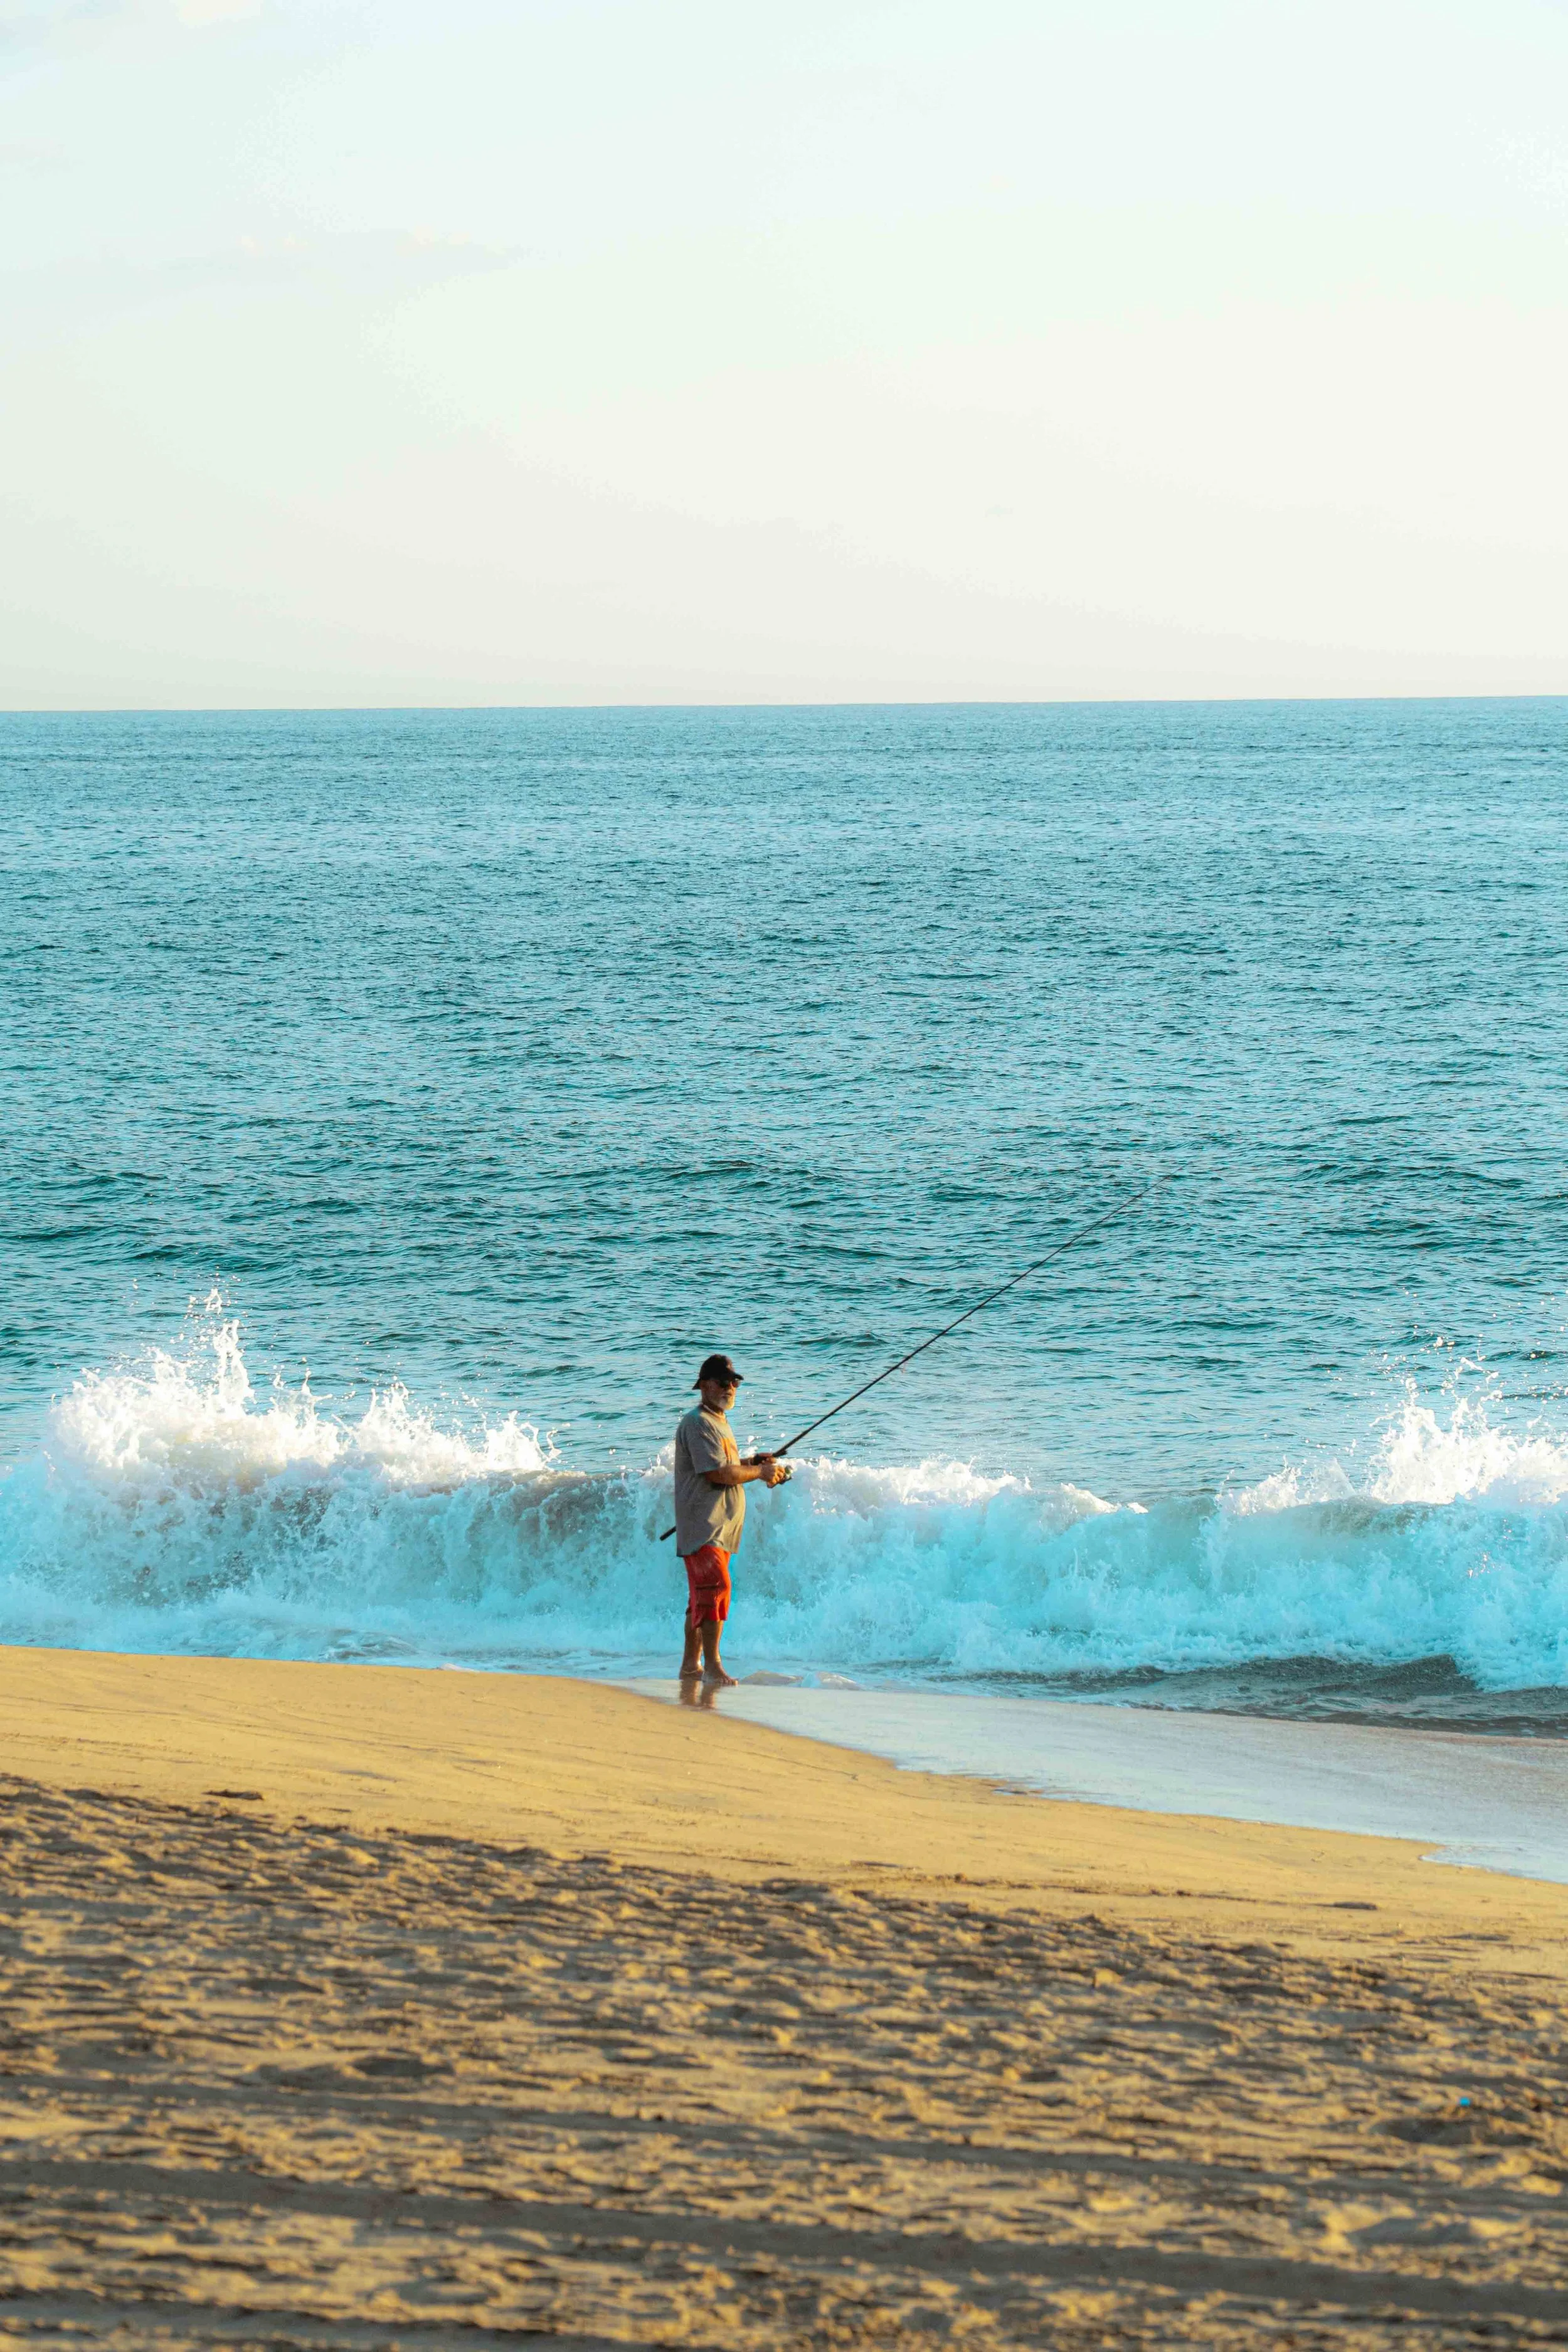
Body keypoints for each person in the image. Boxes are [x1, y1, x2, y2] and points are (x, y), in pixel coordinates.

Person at [672, 1352, 788, 1685]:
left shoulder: (719, 1421)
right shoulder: (698, 1423)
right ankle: (712, 1667)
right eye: (723, 1382)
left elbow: (730, 1465)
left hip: (720, 1528)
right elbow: (718, 1474)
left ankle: (690, 1667)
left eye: (734, 1383)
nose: (730, 1388)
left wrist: (754, 1462)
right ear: (704, 1385)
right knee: (716, 1589)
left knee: (702, 1596)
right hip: (704, 1526)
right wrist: (759, 1472)